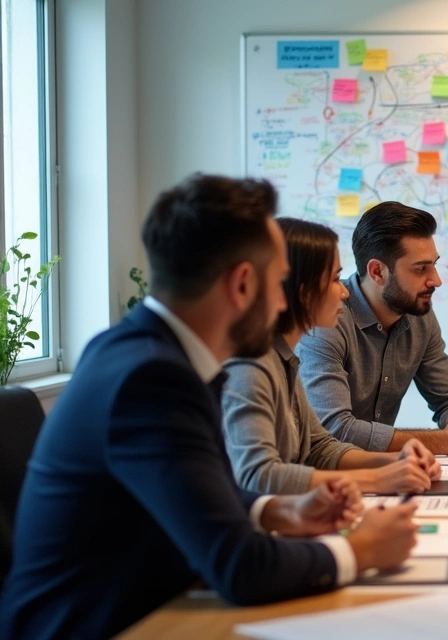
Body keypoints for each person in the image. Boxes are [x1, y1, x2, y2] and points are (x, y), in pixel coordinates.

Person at [0, 176, 419, 640]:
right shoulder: (152, 380)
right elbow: (241, 568)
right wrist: (361, 551)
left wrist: (278, 513)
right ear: (242, 284)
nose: (284, 301)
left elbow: (194, 489)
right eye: (279, 283)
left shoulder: (141, 351)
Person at [222, 218, 442, 495]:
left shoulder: (283, 358)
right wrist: (376, 480)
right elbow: (258, 476)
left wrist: (397, 461)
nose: (345, 291)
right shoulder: (250, 367)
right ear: (303, 293)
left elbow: (320, 448)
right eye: (335, 279)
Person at [297, 202, 448, 456]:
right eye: (421, 268)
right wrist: (444, 441)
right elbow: (335, 429)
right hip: (322, 476)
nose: (436, 280)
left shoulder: (420, 315)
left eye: (434, 264)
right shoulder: (326, 319)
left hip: (379, 473)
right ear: (377, 272)